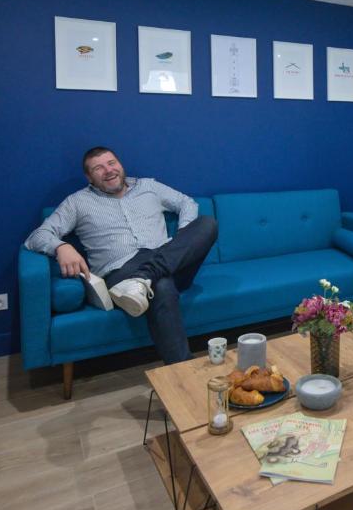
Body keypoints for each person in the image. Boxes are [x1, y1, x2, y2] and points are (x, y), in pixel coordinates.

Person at [24, 146, 217, 364]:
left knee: (207, 224)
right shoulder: (76, 202)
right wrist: (61, 247)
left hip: (168, 262)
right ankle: (181, 370)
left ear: (120, 164)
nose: (108, 170)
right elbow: (37, 237)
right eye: (98, 168)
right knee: (160, 285)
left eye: (112, 163)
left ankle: (144, 278)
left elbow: (186, 202)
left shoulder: (149, 186)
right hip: (122, 274)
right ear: (89, 177)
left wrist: (183, 238)